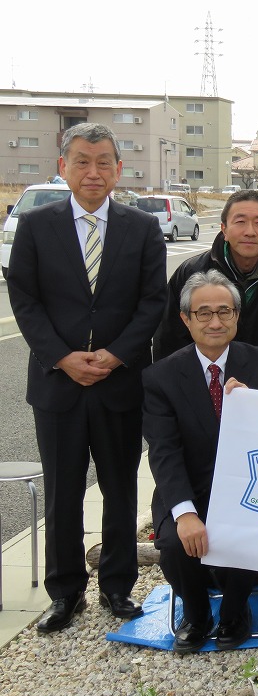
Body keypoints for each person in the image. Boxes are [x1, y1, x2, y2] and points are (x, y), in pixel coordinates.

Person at [7, 122, 167, 633]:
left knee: (121, 488)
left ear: (119, 169)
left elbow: (153, 303)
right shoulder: (36, 226)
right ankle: (65, 592)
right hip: (58, 384)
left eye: (103, 162)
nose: (92, 171)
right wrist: (62, 357)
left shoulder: (141, 227)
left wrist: (117, 356)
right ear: (63, 168)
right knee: (63, 491)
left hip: (120, 383)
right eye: (81, 160)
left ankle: (117, 587)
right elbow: (25, 301)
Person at [144, 271, 258, 653]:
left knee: (243, 534)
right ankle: (196, 614)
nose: (215, 322)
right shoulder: (160, 377)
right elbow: (163, 450)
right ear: (185, 319)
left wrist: (252, 406)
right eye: (203, 313)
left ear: (237, 317)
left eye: (224, 311)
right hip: (189, 487)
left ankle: (235, 612)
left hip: (248, 490)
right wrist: (185, 511)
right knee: (175, 542)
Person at [153, 189, 258, 395]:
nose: (250, 231)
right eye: (240, 222)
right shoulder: (192, 273)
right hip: (196, 396)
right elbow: (168, 342)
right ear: (224, 229)